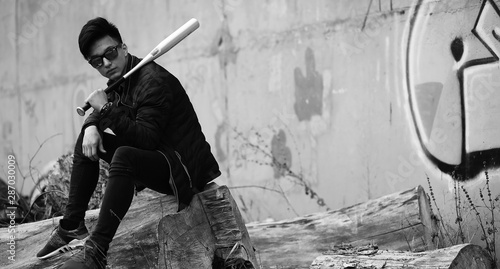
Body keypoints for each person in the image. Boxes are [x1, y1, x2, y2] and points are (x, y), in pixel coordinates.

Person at [36, 17, 221, 269]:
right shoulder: (123, 79)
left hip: (183, 169)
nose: (106, 63)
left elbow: (146, 139)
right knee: (87, 139)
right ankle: (71, 225)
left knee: (124, 154)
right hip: (157, 158)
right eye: (97, 61)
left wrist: (107, 109)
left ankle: (96, 252)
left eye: (110, 53)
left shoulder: (153, 81)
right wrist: (91, 125)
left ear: (123, 48)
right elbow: (108, 103)